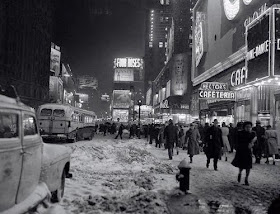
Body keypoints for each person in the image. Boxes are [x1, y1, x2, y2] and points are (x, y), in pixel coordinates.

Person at [232, 121, 257, 186]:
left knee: (248, 166)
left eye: (249, 127)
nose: (248, 128)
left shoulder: (252, 134)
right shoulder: (240, 133)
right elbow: (236, 141)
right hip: (241, 151)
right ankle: (240, 173)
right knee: (241, 165)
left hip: (248, 151)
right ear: (244, 127)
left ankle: (246, 179)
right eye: (247, 127)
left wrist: (252, 144)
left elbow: (254, 142)